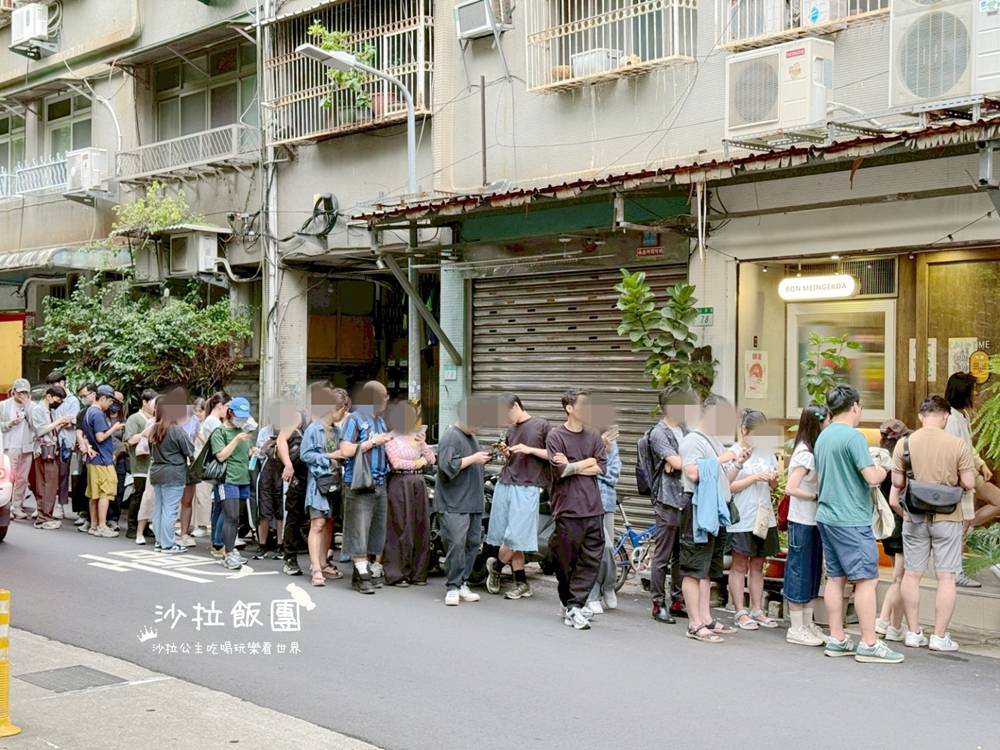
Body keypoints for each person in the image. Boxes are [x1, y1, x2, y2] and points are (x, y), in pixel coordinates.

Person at [814, 384, 901, 664]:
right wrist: (884, 466)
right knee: (867, 580)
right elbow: (872, 477)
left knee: (836, 579)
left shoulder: (823, 437)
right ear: (855, 407)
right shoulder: (853, 438)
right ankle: (869, 642)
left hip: (826, 515)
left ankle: (837, 638)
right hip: (851, 518)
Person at [890, 395, 977, 652]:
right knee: (947, 577)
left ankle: (914, 632)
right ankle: (939, 637)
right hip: (947, 517)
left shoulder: (904, 443)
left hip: (915, 516)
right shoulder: (957, 444)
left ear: (920, 416)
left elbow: (897, 483)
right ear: (945, 416)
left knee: (912, 574)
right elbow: (970, 483)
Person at [678, 395, 745, 643]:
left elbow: (725, 480)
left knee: (706, 569)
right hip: (696, 509)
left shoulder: (714, 441)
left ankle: (706, 618)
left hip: (715, 510)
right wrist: (723, 459)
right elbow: (693, 472)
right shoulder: (692, 441)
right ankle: (694, 624)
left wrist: (737, 462)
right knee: (694, 568)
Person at [547, 389, 607, 631]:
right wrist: (585, 462)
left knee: (591, 559)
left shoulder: (593, 436)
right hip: (568, 508)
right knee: (565, 561)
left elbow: (601, 467)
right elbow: (560, 471)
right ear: (569, 408)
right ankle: (569, 603)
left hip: (593, 507)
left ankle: (575, 606)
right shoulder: (555, 436)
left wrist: (573, 465)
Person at [485, 393, 551, 600]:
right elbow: (512, 457)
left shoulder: (541, 425)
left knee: (514, 537)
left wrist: (529, 449)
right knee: (508, 535)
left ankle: (495, 567)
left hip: (528, 486)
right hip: (506, 482)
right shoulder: (511, 429)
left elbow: (555, 455)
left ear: (515, 405)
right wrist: (506, 453)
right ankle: (521, 583)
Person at [726, 409, 780, 631]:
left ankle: (757, 609)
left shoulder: (767, 453)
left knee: (758, 563)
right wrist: (754, 477)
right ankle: (740, 610)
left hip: (763, 516)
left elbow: (774, 485)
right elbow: (727, 486)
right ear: (744, 430)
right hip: (742, 516)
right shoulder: (733, 452)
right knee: (739, 564)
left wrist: (773, 479)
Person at [945, 372, 1000, 583]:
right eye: (973, 390)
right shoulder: (950, 418)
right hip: (962, 478)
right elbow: (954, 453)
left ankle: (968, 526)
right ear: (963, 392)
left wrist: (981, 464)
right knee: (962, 520)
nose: (976, 394)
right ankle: (957, 573)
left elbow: (969, 448)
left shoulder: (963, 415)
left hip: (972, 473)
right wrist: (964, 478)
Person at [435, 400, 492, 607]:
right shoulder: (451, 437)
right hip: (454, 502)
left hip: (473, 500)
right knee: (456, 544)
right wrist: (474, 458)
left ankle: (462, 582)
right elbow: (447, 466)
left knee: (472, 543)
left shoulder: (471, 437)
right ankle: (452, 586)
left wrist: (481, 458)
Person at [784, 402, 831, 647]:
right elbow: (791, 488)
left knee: (812, 571)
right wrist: (814, 496)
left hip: (813, 520)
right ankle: (796, 626)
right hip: (802, 520)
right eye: (827, 421)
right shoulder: (804, 453)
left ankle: (807, 623)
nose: (829, 425)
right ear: (818, 422)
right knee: (799, 570)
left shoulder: (813, 450)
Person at [339, 381, 392, 594]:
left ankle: (362, 570)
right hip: (359, 483)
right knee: (358, 529)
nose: (387, 400)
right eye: (384, 396)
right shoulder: (355, 419)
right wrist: (371, 443)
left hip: (380, 481)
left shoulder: (381, 422)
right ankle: (362, 573)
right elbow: (345, 449)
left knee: (375, 531)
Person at [646, 387, 690, 624]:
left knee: (680, 555)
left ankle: (677, 600)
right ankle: (657, 603)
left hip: (684, 497)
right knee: (662, 555)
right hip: (667, 499)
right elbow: (676, 460)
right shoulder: (659, 433)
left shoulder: (684, 429)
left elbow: (693, 457)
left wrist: (680, 463)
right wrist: (676, 462)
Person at [384, 401, 437, 587]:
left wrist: (423, 445)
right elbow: (396, 463)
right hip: (400, 483)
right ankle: (397, 573)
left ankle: (418, 573)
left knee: (420, 526)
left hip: (419, 483)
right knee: (400, 526)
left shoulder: (416, 438)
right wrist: (418, 462)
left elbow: (431, 459)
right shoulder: (390, 438)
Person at [301, 386, 349, 587]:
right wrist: (330, 456)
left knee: (329, 522)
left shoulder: (337, 431)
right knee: (317, 524)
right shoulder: (314, 429)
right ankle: (316, 568)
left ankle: (323, 562)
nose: (344, 414)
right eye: (344, 410)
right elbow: (305, 455)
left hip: (334, 482)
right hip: (318, 484)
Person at [874, 419, 910, 642]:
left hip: (886, 526)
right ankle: (884, 620)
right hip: (901, 523)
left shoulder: (879, 462)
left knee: (902, 577)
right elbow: (896, 501)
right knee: (900, 578)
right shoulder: (899, 463)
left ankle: (896, 625)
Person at [210, 396, 255, 570]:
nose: (242, 419)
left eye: (244, 416)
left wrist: (252, 450)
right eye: (239, 416)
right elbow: (220, 455)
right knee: (231, 516)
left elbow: (244, 453)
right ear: (229, 413)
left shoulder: (242, 431)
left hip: (243, 479)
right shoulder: (220, 432)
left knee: (237, 519)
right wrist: (236, 441)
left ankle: (231, 550)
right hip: (227, 479)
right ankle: (227, 553)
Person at [149, 394, 196, 554]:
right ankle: (168, 544)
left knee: (159, 508)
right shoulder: (176, 430)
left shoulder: (154, 428)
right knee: (170, 510)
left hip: (157, 471)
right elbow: (190, 449)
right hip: (174, 472)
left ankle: (159, 541)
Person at [82, 385, 124, 538]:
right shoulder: (98, 414)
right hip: (102, 460)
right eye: (110, 401)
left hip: (93, 459)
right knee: (106, 492)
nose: (110, 405)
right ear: (103, 398)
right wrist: (114, 429)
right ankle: (102, 525)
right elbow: (100, 437)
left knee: (94, 494)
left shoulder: (88, 412)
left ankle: (93, 525)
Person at [587, 425, 621, 615]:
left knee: (608, 548)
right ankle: (593, 595)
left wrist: (603, 456)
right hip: (587, 503)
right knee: (596, 548)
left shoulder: (612, 445)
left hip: (606, 502)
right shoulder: (585, 441)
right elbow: (583, 470)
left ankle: (607, 586)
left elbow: (613, 474)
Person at [30, 385, 73, 530]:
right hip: (43, 450)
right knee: (47, 484)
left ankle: (45, 516)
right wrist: (58, 422)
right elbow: (40, 430)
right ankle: (43, 518)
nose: (58, 402)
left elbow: (52, 431)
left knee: (50, 484)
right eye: (57, 399)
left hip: (50, 449)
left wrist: (60, 424)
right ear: (48, 396)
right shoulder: (37, 410)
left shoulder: (50, 411)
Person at [123, 389, 157, 539]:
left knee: (149, 497)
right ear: (144, 402)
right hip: (139, 464)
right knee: (138, 494)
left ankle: (145, 526)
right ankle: (132, 526)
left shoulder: (157, 419)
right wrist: (146, 432)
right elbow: (129, 440)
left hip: (152, 463)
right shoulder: (134, 419)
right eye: (152, 403)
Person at [2, 379, 37, 521]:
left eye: (25, 392)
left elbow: (36, 425)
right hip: (9, 446)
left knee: (22, 478)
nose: (22, 395)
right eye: (20, 392)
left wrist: (27, 406)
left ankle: (17, 506)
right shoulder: (4, 406)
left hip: (26, 447)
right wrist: (9, 424)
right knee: (8, 478)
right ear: (14, 391)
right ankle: (5, 506)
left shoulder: (33, 407)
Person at [202, 392, 232, 556]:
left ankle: (216, 542)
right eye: (228, 407)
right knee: (224, 507)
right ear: (220, 406)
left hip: (218, 467)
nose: (229, 411)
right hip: (221, 467)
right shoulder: (213, 422)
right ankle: (219, 543)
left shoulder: (211, 420)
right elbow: (223, 443)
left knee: (219, 507)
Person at [47, 371, 79, 520]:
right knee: (49, 473)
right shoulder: (51, 399)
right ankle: (48, 504)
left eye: (55, 385)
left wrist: (61, 422)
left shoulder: (73, 401)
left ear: (62, 383)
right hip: (51, 440)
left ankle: (60, 505)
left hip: (65, 441)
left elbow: (73, 420)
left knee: (62, 474)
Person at [72, 383, 97, 529]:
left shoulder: (102, 411)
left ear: (94, 394)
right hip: (88, 456)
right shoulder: (82, 413)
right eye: (80, 396)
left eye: (84, 395)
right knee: (87, 485)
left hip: (103, 455)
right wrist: (83, 445)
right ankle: (87, 516)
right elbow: (79, 432)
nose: (83, 399)